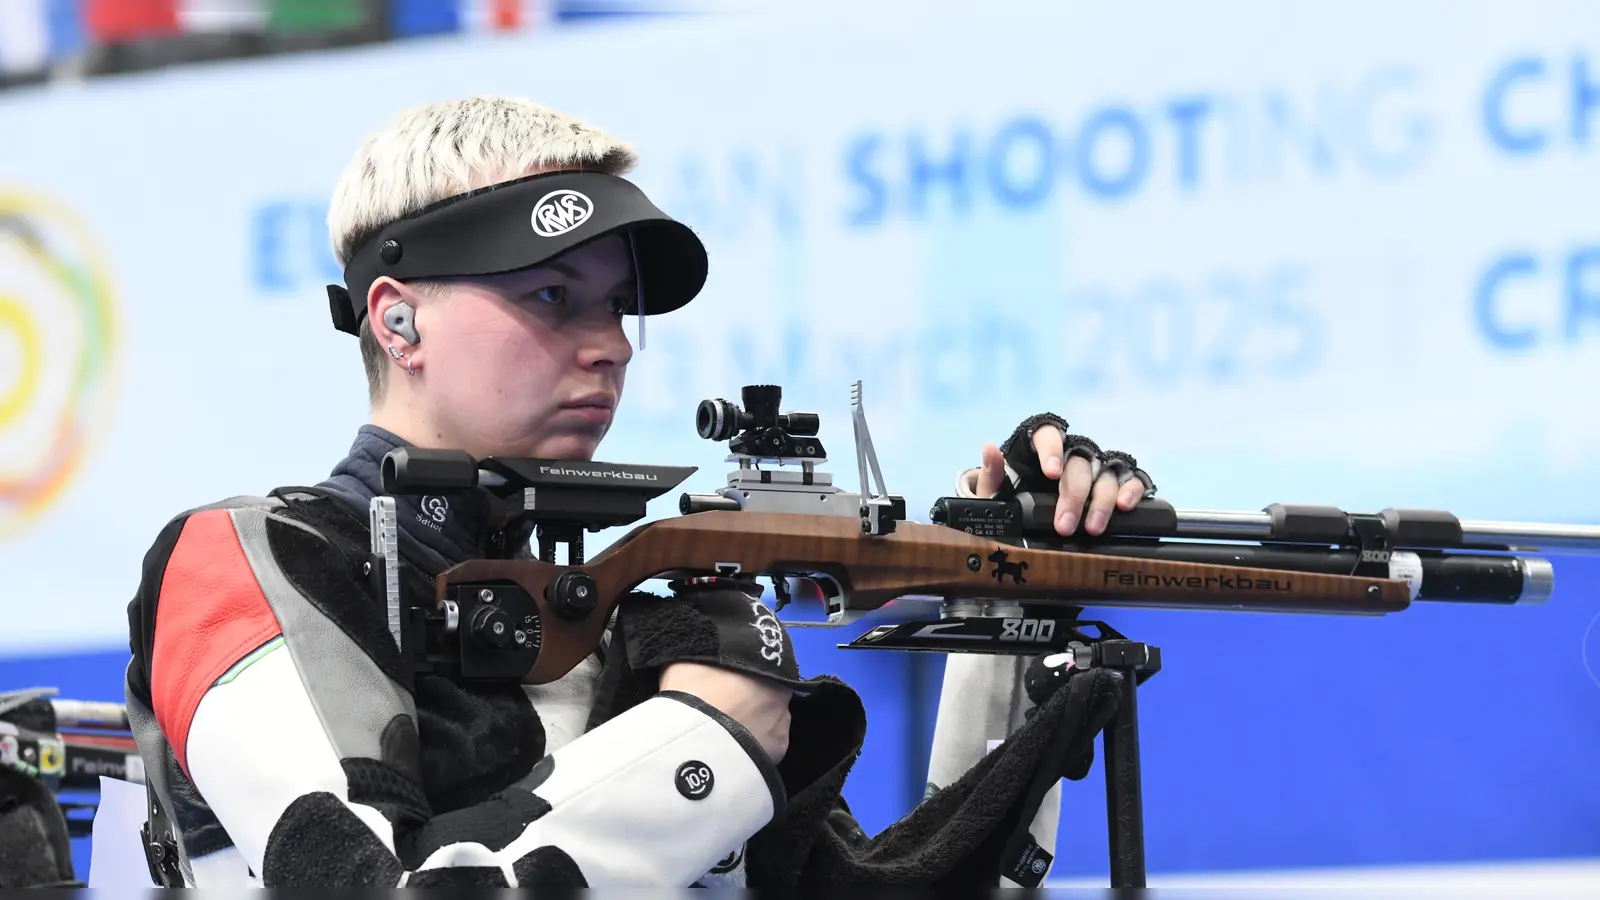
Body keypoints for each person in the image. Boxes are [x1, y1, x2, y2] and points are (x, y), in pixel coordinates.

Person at [119, 96, 1156, 889]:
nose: (609, 344)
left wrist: (1007, 612)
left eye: (617, 306)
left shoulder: (626, 623)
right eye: (549, 296)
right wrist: (704, 745)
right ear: (396, 321)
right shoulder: (247, 556)